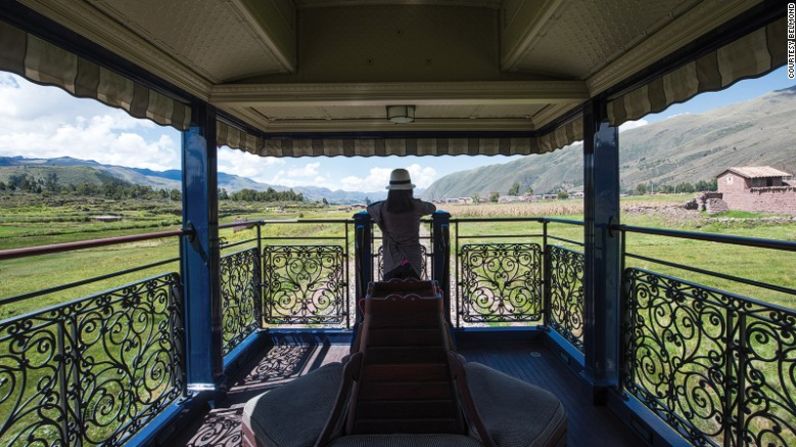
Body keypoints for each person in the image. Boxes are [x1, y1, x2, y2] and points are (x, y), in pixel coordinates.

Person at [367, 168, 436, 280]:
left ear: (390, 190)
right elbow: (432, 207)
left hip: (391, 259)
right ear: (409, 189)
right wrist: (416, 201)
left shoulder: (382, 207)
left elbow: (369, 208)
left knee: (391, 293)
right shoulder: (416, 206)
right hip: (412, 259)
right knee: (412, 292)